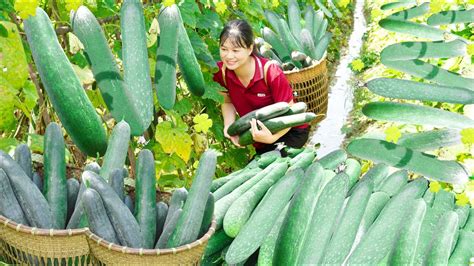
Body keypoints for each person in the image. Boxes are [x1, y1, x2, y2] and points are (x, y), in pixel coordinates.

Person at [213, 19, 310, 155]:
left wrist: (271, 138)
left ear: (250, 48)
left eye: (235, 50)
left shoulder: (271, 72)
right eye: (224, 49)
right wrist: (229, 125)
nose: (229, 56)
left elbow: (290, 113)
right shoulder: (221, 72)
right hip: (259, 137)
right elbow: (227, 100)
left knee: (271, 170)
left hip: (290, 131)